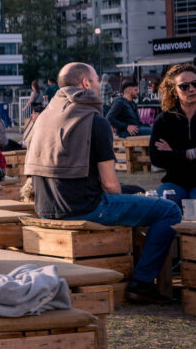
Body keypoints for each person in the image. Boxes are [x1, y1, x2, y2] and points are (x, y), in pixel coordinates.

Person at [26, 62, 181, 304]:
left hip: (45, 207)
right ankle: (141, 283)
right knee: (168, 210)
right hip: (84, 207)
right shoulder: (93, 120)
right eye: (97, 80)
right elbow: (110, 185)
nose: (100, 85)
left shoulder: (46, 116)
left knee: (136, 191)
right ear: (86, 84)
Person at [149, 63, 196, 205]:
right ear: (174, 91)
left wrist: (174, 153)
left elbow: (166, 157)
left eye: (195, 84)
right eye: (184, 86)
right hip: (174, 182)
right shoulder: (164, 119)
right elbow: (156, 158)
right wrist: (192, 153)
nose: (191, 89)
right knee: (160, 206)